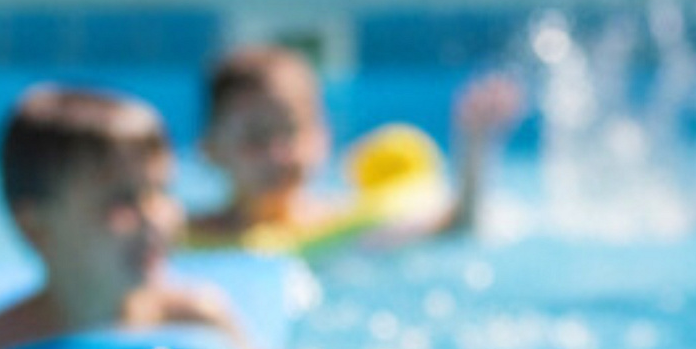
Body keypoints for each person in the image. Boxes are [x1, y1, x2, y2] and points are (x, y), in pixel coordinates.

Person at [0, 84, 270, 349]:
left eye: (162, 191)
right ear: (36, 225)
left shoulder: (198, 320)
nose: (153, 218)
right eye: (121, 200)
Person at [189, 44, 527, 249]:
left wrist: (475, 146)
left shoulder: (343, 229)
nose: (278, 154)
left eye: (291, 132)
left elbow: (458, 227)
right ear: (210, 149)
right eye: (256, 137)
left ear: (322, 138)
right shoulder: (185, 236)